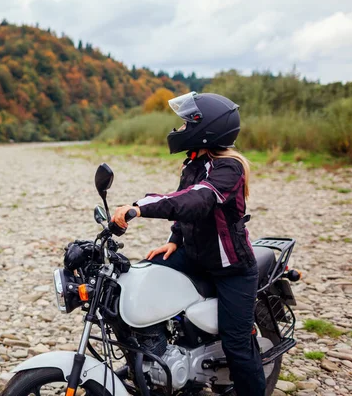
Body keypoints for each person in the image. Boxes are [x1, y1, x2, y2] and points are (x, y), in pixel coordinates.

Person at [111, 92, 265, 396]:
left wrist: (139, 207)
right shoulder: (193, 163)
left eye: (186, 123)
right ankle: (151, 355)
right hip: (195, 256)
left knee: (237, 347)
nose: (179, 129)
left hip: (231, 269)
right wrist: (174, 240)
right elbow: (185, 208)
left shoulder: (229, 169)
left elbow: (198, 199)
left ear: (206, 129)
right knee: (141, 274)